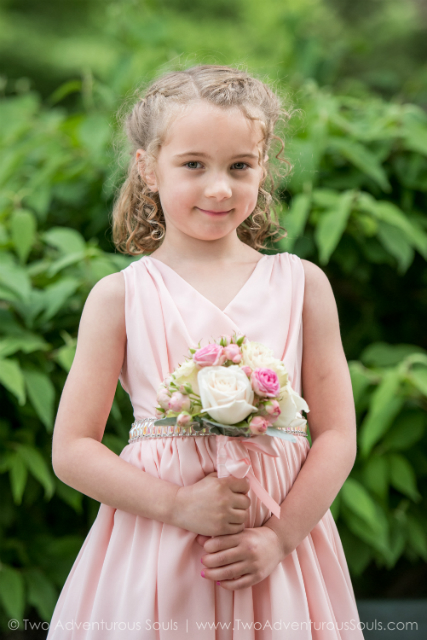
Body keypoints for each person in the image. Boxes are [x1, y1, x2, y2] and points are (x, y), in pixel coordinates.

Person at [48, 65, 364, 639]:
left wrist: (280, 537)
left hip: (276, 556)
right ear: (147, 167)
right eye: (193, 164)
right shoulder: (120, 298)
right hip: (159, 556)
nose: (220, 187)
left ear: (263, 168)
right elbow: (71, 450)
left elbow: (338, 434)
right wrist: (177, 506)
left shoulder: (302, 286)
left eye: (240, 166)